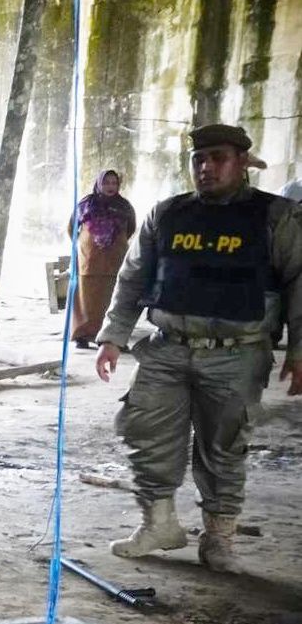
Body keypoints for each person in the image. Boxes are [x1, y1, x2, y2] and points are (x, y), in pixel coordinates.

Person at [94, 123, 302, 572]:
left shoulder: (277, 217)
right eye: (199, 159)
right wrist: (113, 336)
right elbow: (132, 277)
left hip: (238, 352)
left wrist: (300, 350)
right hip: (167, 347)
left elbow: (298, 283)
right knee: (145, 432)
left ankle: (219, 538)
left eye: (219, 157)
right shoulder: (167, 214)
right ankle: (160, 523)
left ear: (243, 162)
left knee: (224, 445)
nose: (206, 167)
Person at [68, 169, 137, 348]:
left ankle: (109, 339)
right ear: (99, 183)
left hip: (115, 261)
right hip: (89, 260)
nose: (110, 187)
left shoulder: (124, 206)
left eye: (114, 183)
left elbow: (131, 228)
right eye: (106, 183)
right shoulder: (85, 204)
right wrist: (87, 245)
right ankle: (82, 336)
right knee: (86, 300)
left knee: (113, 300)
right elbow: (71, 228)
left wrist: (114, 243)